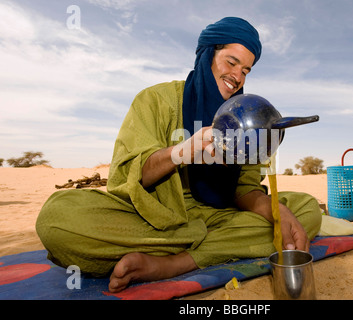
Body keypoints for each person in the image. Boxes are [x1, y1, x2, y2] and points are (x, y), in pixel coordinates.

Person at [36, 17, 322, 293]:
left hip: (221, 218)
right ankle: (205, 247)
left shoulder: (247, 115)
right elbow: (126, 177)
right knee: (57, 219)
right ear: (208, 55)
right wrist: (182, 152)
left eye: (246, 70)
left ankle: (174, 262)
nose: (237, 77)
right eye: (231, 62)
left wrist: (276, 211)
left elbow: (244, 190)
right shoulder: (156, 100)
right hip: (158, 220)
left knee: (305, 210)